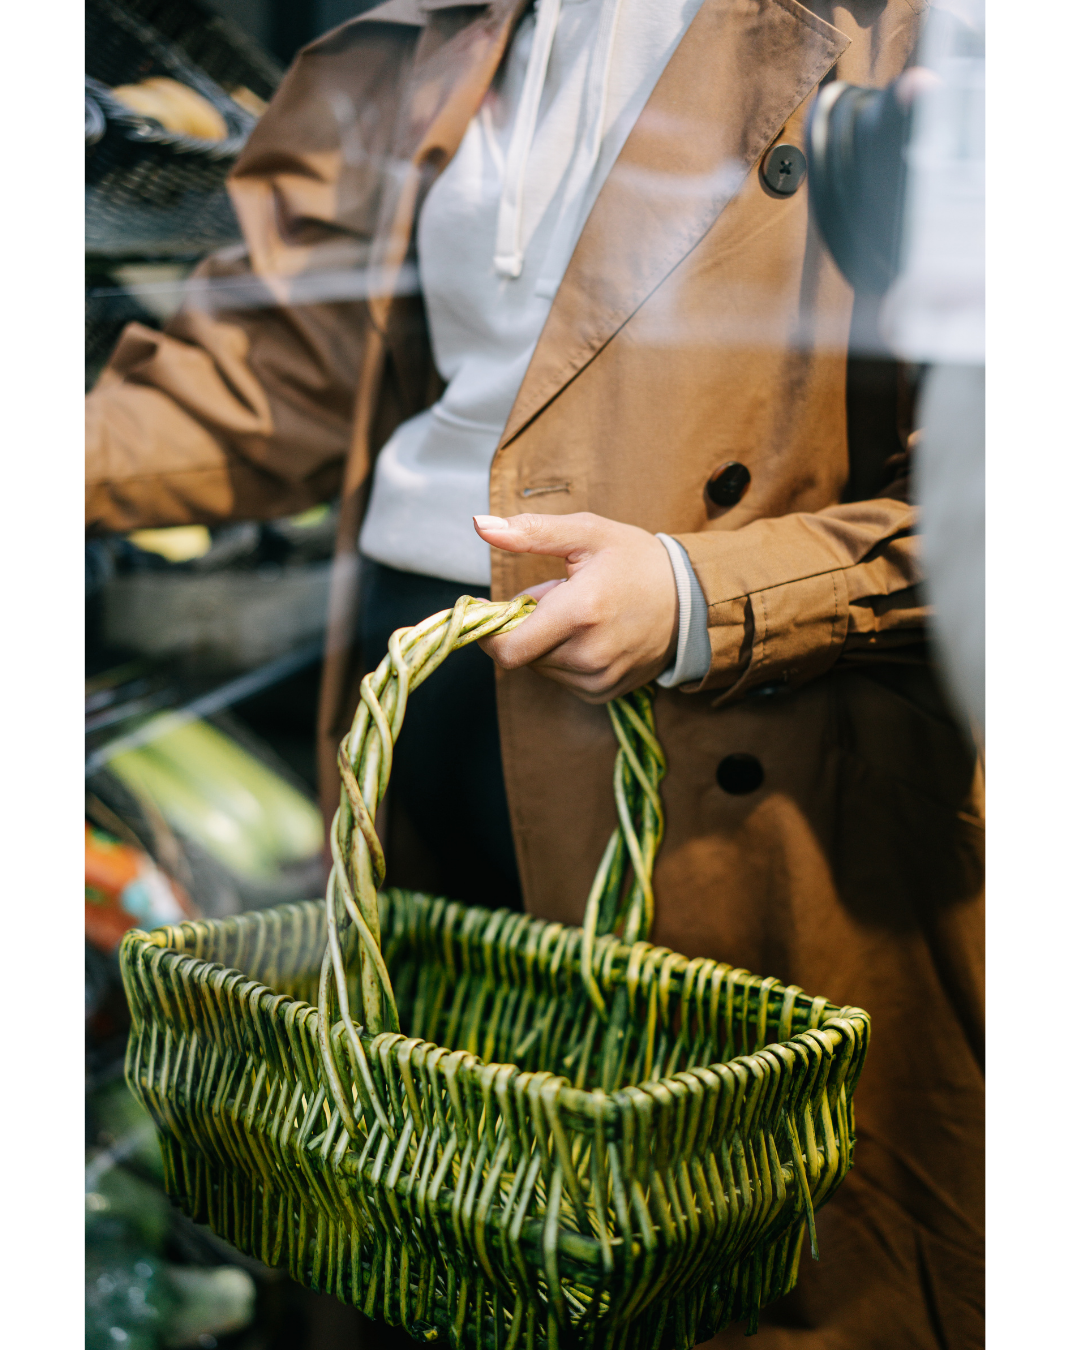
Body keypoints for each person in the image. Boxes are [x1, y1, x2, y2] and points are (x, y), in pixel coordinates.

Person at [84, 2, 985, 1346]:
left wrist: (696, 594)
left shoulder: (919, 31)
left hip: (730, 765)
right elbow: (275, 375)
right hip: (419, 713)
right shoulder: (436, 32)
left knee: (725, 1261)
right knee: (434, 1239)